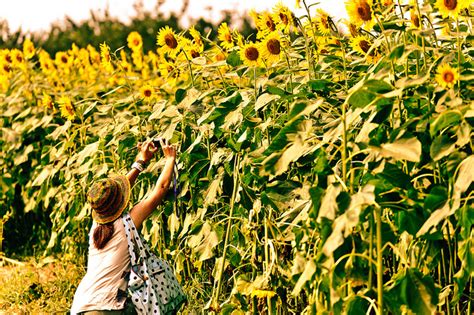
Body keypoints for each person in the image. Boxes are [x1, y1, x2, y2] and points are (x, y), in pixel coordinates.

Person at [71, 138, 177, 315]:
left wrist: (142, 161)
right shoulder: (127, 223)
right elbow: (162, 188)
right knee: (155, 303)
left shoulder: (96, 226)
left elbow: (121, 189)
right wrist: (170, 159)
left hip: (82, 305)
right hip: (105, 308)